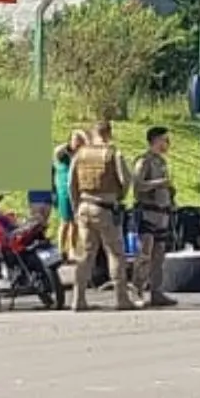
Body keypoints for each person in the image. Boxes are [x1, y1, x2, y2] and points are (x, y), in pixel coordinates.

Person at [69, 120, 134, 311]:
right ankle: (121, 299)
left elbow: (70, 184)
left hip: (84, 207)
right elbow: (126, 179)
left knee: (85, 254)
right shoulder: (113, 153)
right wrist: (120, 196)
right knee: (114, 253)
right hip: (105, 208)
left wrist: (76, 207)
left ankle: (78, 299)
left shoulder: (80, 154)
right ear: (109, 133)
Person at [131, 126, 178, 308]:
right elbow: (137, 186)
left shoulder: (161, 162)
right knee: (145, 254)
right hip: (147, 213)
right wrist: (159, 183)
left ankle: (156, 291)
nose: (168, 144)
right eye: (165, 140)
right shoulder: (144, 161)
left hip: (162, 214)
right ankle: (137, 290)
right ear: (156, 140)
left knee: (159, 256)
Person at [54, 130, 88, 258]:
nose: (78, 143)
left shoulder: (81, 155)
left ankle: (72, 249)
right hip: (64, 191)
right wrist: (70, 145)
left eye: (80, 140)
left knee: (75, 222)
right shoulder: (63, 154)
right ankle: (61, 250)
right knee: (65, 221)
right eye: (76, 140)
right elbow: (57, 151)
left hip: (78, 191)